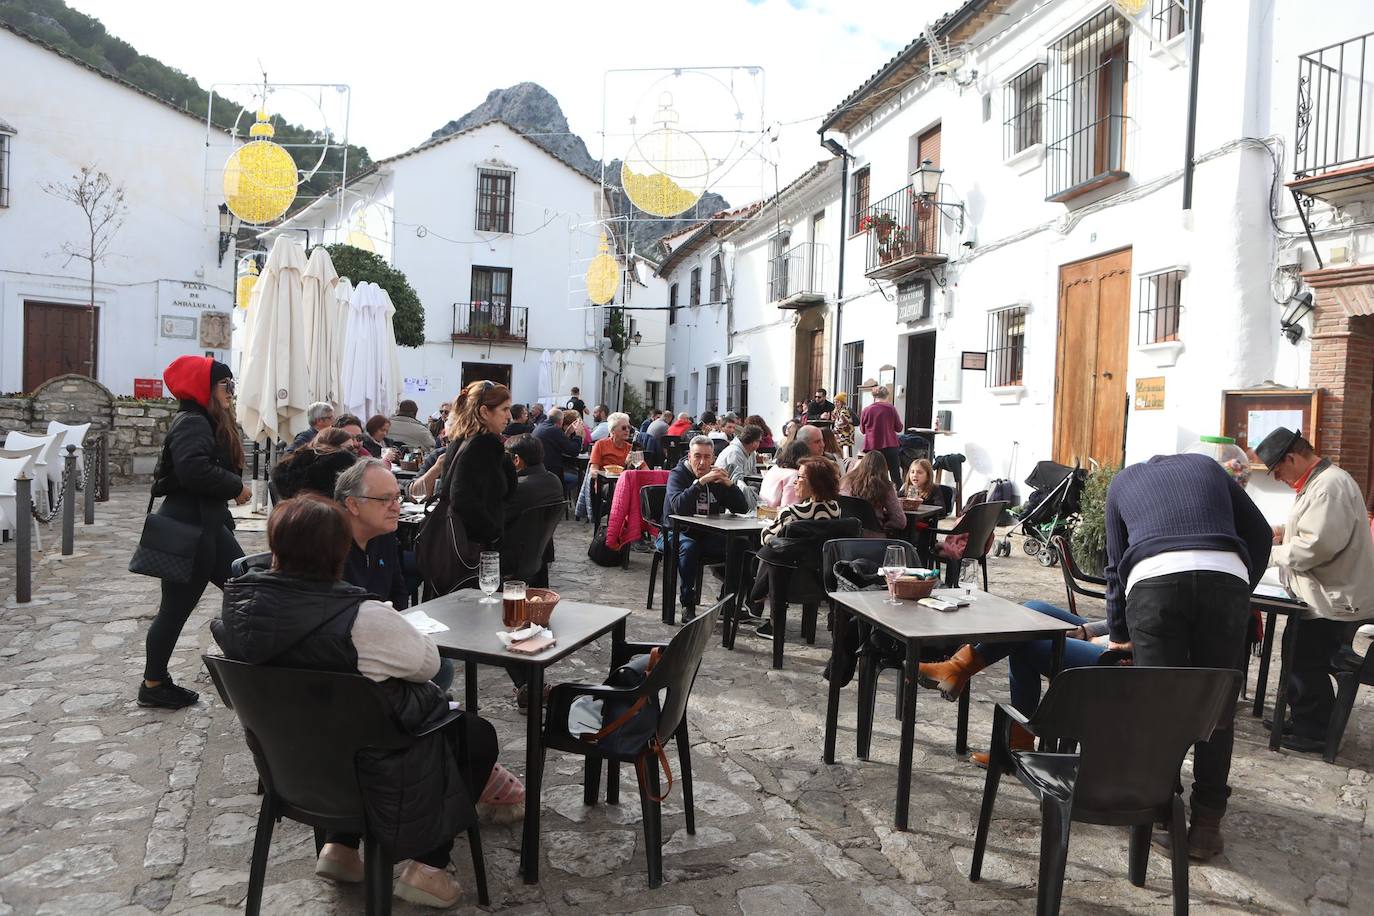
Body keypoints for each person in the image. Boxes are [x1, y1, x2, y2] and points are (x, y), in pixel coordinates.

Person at [213, 495, 520, 907]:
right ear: (340, 550)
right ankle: (429, 867)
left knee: (345, 720)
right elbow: (428, 665)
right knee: (473, 735)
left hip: (293, 765)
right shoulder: (361, 618)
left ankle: (340, 848)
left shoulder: (240, 612)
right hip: (372, 772)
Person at [1104, 451, 1271, 859]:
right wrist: (1239, 588)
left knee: (1159, 709)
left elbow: (1114, 567)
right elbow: (1261, 533)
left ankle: (1162, 814)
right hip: (1225, 577)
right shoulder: (1208, 466)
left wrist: (1119, 633)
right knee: (1217, 710)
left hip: (1153, 582)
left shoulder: (1122, 482)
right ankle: (1207, 828)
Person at [137, 356, 250, 709]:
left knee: (249, 588)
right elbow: (192, 470)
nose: (231, 391)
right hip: (190, 527)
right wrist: (235, 486)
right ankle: (153, 684)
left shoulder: (204, 420)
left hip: (208, 526)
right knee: (175, 609)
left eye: (233, 384)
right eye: (225, 385)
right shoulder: (192, 422)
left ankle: (254, 663)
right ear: (205, 389)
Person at [1254, 427, 1374, 753]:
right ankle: (1303, 718)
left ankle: (1314, 730)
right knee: (1297, 656)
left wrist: (1265, 554)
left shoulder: (1329, 486)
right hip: (1323, 597)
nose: (1277, 478)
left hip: (1335, 600)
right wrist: (1280, 530)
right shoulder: (1319, 483)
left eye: (1278, 470)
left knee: (1307, 663)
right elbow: (1308, 530)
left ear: (1291, 458)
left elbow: (1313, 548)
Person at [917, 600, 1111, 765]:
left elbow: (1139, 630)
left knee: (1025, 638)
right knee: (1031, 608)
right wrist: (1088, 631)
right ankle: (1018, 740)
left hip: (1120, 658)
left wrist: (1103, 642)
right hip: (1114, 634)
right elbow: (1124, 617)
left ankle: (957, 670)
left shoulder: (1138, 562)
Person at [336, 459, 454, 694]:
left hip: (379, 634)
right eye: (384, 500)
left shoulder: (383, 535)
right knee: (437, 672)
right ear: (353, 505)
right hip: (346, 656)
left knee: (441, 667)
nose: (396, 507)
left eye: (397, 498)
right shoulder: (331, 547)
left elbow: (398, 590)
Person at [749, 456, 844, 637]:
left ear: (815, 483)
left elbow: (767, 538)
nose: (795, 482)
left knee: (765, 552)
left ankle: (757, 596)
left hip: (786, 581)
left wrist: (768, 530)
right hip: (820, 579)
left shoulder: (792, 513)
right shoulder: (836, 510)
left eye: (800, 477)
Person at [662, 436, 749, 610]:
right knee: (689, 547)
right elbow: (679, 507)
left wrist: (729, 485)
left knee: (741, 545)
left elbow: (742, 508)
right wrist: (700, 482)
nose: (702, 462)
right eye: (697, 456)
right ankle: (688, 604)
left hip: (707, 534)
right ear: (689, 457)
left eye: (707, 457)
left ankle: (728, 602)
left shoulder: (716, 476)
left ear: (713, 458)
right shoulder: (678, 475)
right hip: (676, 533)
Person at [445, 381, 518, 554]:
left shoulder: (460, 440)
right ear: (485, 412)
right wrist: (492, 533)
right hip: (475, 546)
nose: (509, 416)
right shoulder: (484, 445)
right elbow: (462, 498)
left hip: (458, 539)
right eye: (504, 409)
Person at [503, 434, 565, 587]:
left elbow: (495, 521)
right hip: (539, 555)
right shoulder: (554, 481)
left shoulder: (517, 487)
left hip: (510, 559)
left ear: (516, 460)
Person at [272, 428, 357, 499]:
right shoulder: (341, 462)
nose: (354, 453)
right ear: (334, 446)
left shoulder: (292, 467)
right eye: (349, 448)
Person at [840, 450, 905, 531]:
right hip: (873, 536)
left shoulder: (847, 481)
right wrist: (884, 526)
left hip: (848, 534)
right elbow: (900, 521)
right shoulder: (886, 486)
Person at [860, 385, 903, 484]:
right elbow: (899, 428)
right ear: (887, 396)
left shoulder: (866, 410)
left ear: (874, 396)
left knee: (872, 474)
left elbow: (863, 430)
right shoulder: (891, 409)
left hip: (872, 447)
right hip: (890, 445)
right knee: (895, 475)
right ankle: (898, 497)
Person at [534, 407, 583, 492]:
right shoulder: (554, 430)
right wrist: (578, 435)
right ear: (561, 421)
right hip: (552, 473)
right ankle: (560, 494)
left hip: (540, 470)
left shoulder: (540, 427)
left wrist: (567, 433)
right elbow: (574, 451)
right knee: (579, 478)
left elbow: (560, 444)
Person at [760, 440, 809, 508]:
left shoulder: (774, 469)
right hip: (776, 514)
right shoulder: (794, 475)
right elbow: (789, 507)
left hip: (762, 510)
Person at [832, 392, 855, 456]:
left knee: (845, 455)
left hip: (845, 437)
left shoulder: (844, 411)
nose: (835, 404)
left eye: (837, 402)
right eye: (834, 402)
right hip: (842, 437)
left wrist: (833, 431)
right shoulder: (838, 410)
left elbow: (842, 424)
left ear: (842, 402)